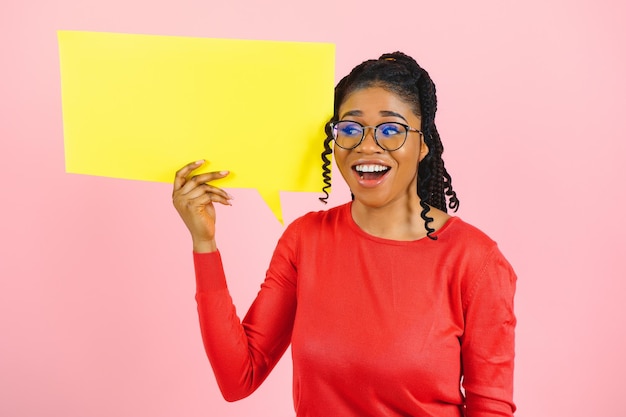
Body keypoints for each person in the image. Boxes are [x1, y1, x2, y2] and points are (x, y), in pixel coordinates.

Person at [172, 51, 516, 417]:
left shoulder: (475, 261)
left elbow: (490, 408)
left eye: (391, 130)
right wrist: (204, 242)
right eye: (350, 129)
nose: (367, 146)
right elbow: (238, 377)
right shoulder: (306, 239)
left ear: (423, 144)